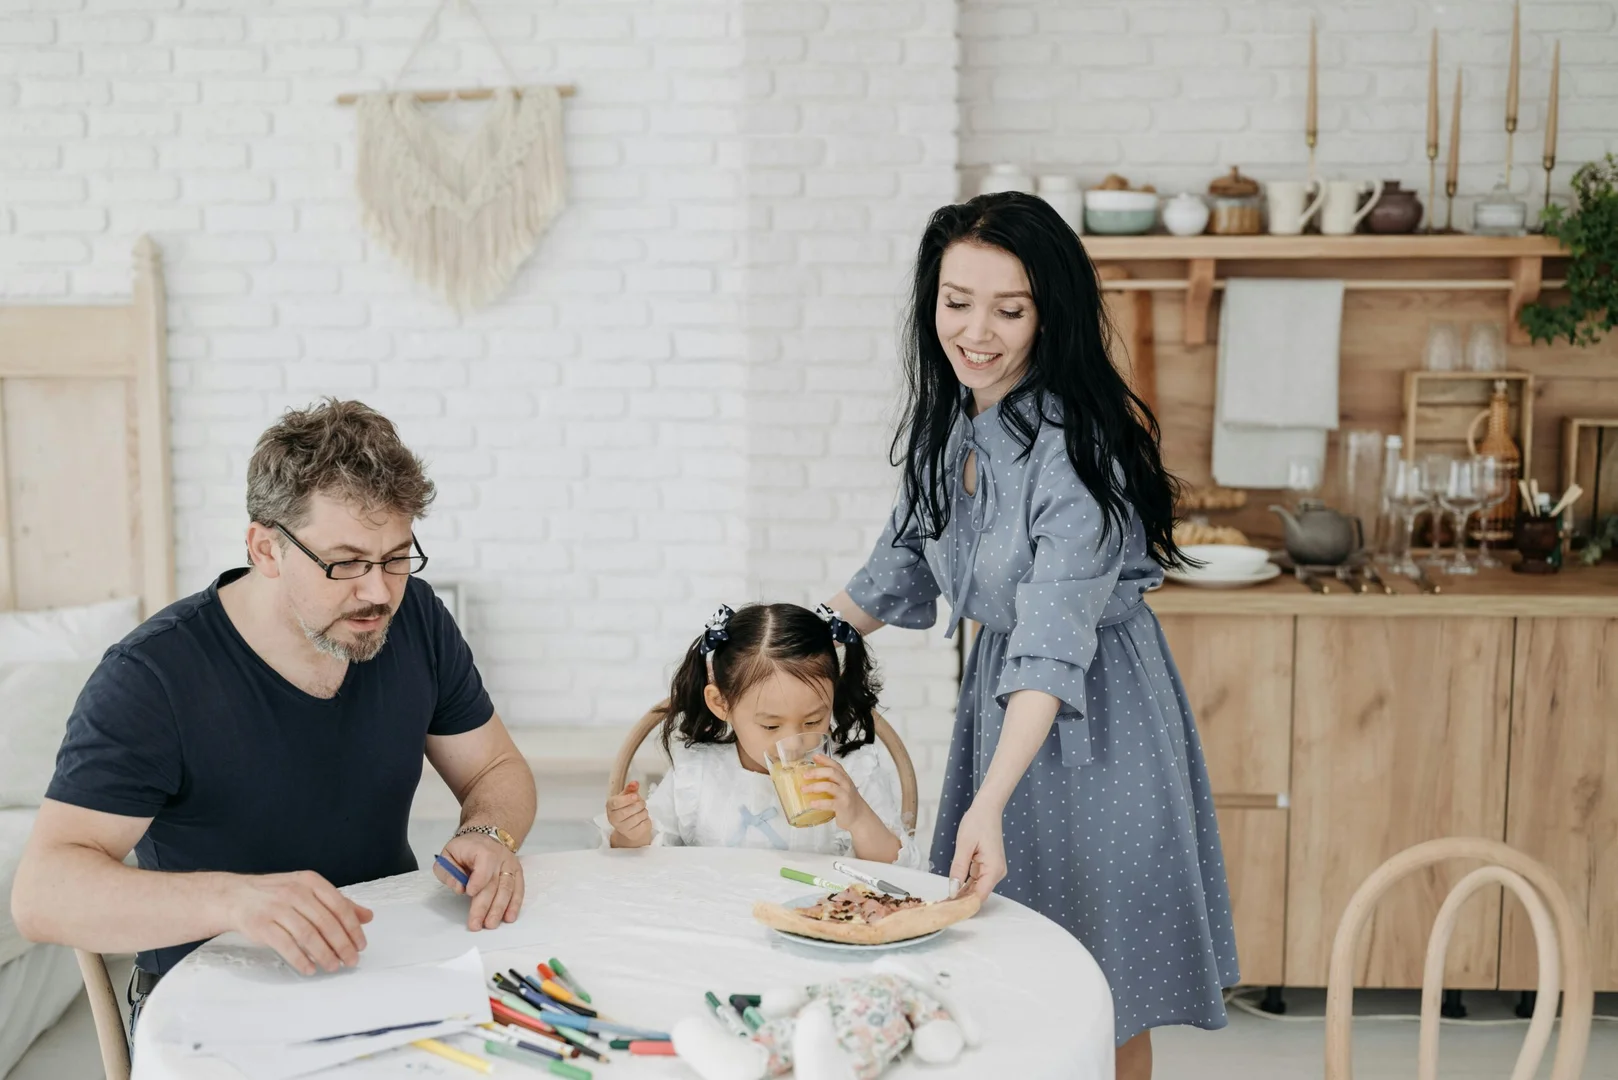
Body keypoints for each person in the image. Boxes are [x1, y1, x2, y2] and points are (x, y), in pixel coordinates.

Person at [825, 192, 1239, 1079]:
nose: (976, 331)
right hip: (1006, 702)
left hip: (1098, 712)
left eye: (1008, 310)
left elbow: (1052, 643)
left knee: (1105, 974)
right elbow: (896, 567)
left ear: (1049, 316)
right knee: (1010, 958)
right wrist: (783, 650)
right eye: (955, 301)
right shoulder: (952, 423)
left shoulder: (1080, 449)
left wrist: (987, 801)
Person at [9, 399, 536, 1028]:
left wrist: (489, 833)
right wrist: (235, 899)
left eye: (396, 558)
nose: (378, 592)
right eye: (345, 563)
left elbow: (496, 767)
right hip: (212, 995)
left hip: (383, 968)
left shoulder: (417, 618)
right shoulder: (152, 677)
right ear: (266, 549)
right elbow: (42, 893)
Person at [603, 603, 920, 868]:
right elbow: (642, 862)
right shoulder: (696, 774)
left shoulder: (854, 771)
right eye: (771, 726)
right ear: (721, 703)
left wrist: (859, 816)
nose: (794, 742)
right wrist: (630, 831)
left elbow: (900, 873)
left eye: (813, 720)